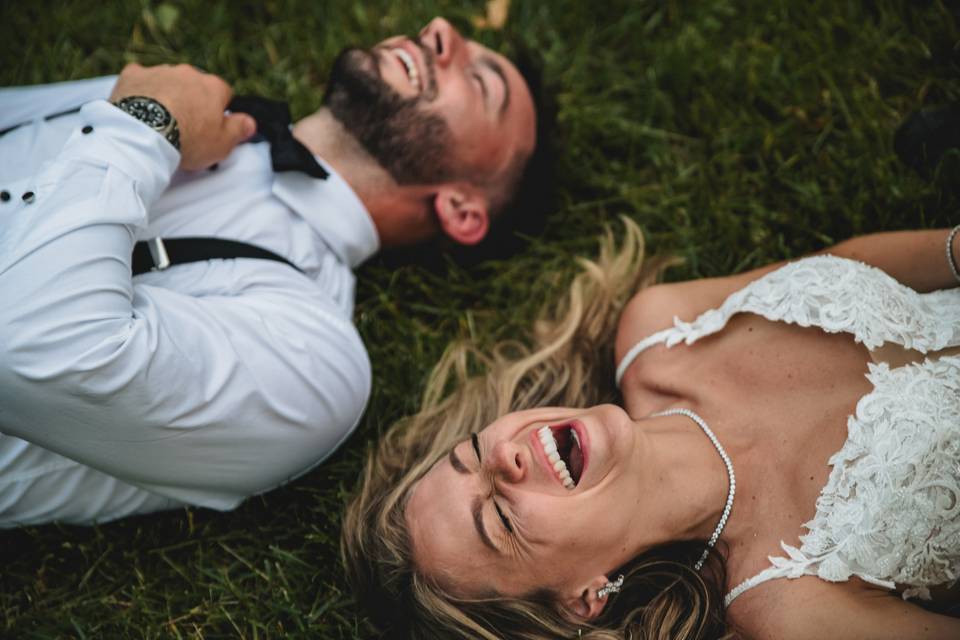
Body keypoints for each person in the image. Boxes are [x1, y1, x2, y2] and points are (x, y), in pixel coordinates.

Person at [0, 17, 549, 527]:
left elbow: (33, 343)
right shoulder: (182, 97)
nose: (440, 30)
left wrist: (146, 123)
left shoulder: (316, 363)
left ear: (461, 209)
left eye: (480, 83)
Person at [342, 218, 960, 639]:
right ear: (585, 598)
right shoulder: (790, 606)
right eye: (500, 519)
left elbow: (847, 263)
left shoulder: (658, 330)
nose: (505, 456)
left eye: (474, 451)